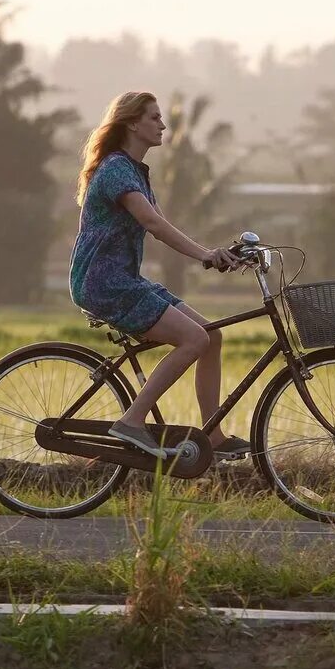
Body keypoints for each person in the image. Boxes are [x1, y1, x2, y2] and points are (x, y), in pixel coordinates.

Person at [70, 91, 250, 460]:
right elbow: (151, 223)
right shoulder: (116, 168)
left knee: (211, 336)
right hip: (104, 283)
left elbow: (163, 223)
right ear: (132, 123)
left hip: (125, 280)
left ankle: (211, 436)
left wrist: (218, 253)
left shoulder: (136, 172)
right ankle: (132, 421)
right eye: (154, 117)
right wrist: (203, 254)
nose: (163, 125)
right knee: (193, 340)